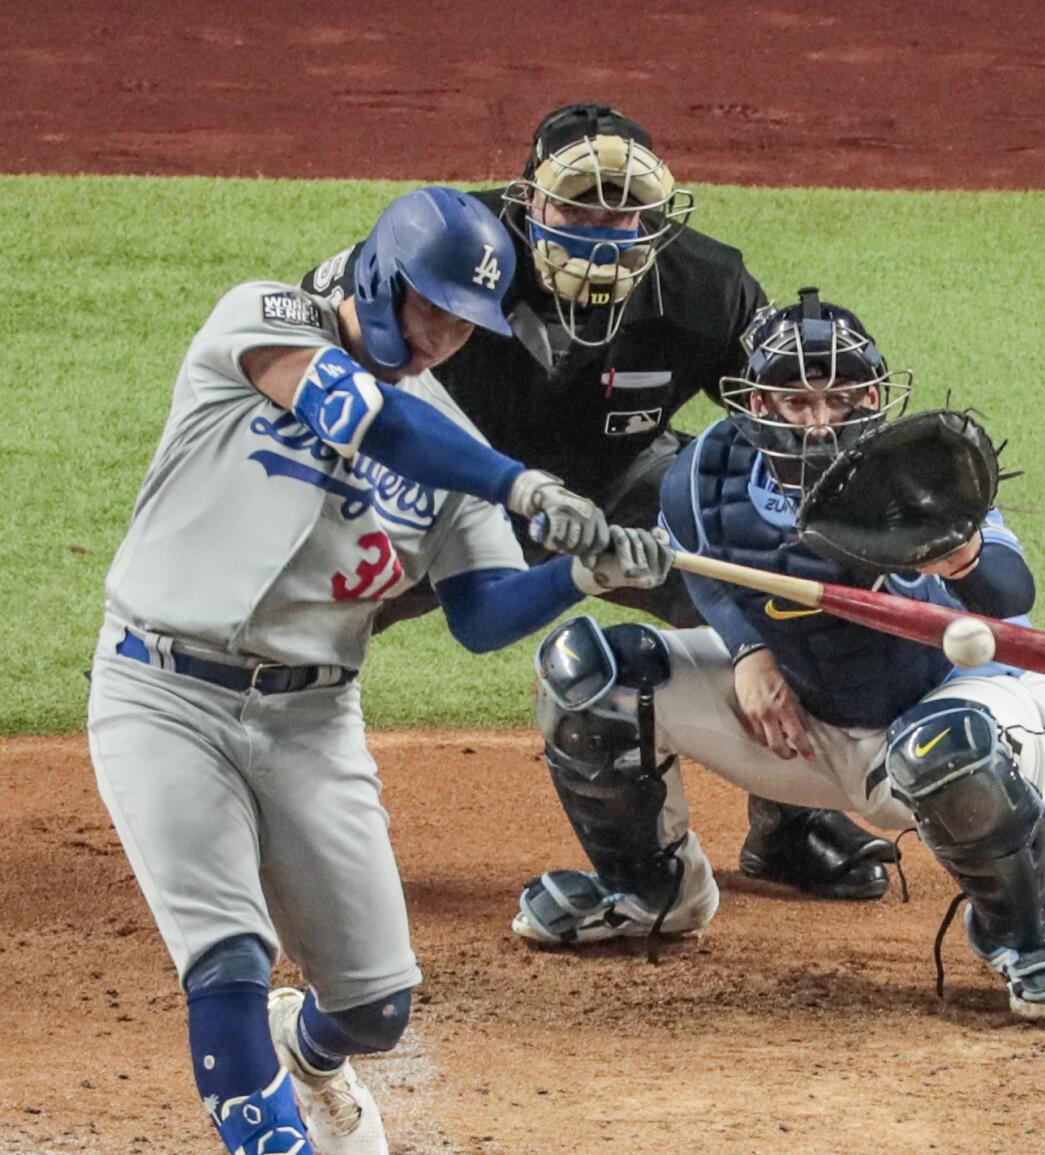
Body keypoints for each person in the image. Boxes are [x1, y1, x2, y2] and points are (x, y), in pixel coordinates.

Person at [87, 185, 672, 1155]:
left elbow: (482, 613)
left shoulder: (447, 439)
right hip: (160, 693)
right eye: (431, 307)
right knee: (227, 957)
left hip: (311, 720)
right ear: (375, 277)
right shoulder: (259, 322)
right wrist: (515, 479)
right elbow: (363, 416)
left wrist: (581, 575)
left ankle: (309, 1056)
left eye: (465, 322)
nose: (444, 335)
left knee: (378, 1005)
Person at [302, 101, 896, 902]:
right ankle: (271, 804)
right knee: (302, 614)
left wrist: (856, 502)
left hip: (619, 490)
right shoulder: (454, 244)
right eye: (576, 203)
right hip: (438, 491)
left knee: (769, 574)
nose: (601, 228)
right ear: (527, 199)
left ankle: (787, 823)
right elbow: (321, 339)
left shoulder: (703, 286)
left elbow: (781, 411)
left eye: (624, 211)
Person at [511, 289, 1045, 1024]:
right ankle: (650, 892)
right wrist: (750, 651)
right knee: (591, 678)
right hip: (807, 727)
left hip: (956, 711)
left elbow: (1010, 594)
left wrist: (963, 553)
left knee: (944, 748)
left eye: (841, 397)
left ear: (875, 398)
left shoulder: (919, 474)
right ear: (753, 400)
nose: (819, 419)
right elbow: (702, 564)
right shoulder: (705, 474)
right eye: (794, 400)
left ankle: (1027, 939)